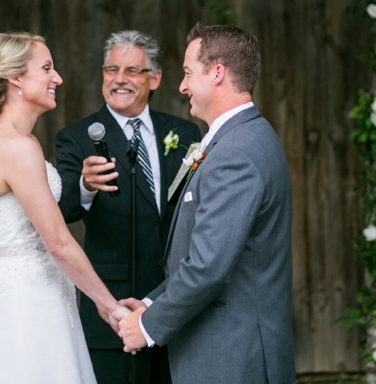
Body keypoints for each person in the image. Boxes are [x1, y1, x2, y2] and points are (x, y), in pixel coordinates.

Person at [0, 32, 130, 384]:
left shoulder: (14, 141)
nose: (57, 78)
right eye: (47, 68)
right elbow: (59, 242)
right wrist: (110, 305)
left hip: (34, 295)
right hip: (26, 309)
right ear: (15, 78)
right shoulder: (16, 147)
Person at [118, 23, 296, 384]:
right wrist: (152, 303)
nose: (182, 86)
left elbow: (208, 266)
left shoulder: (235, 152)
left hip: (231, 357)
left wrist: (148, 326)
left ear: (217, 73)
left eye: (187, 73)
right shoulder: (240, 138)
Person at [56, 31, 201, 384]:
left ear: (155, 79)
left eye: (133, 71)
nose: (119, 79)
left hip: (173, 303)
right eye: (112, 69)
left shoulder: (183, 132)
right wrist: (85, 185)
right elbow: (61, 210)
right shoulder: (76, 136)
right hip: (113, 307)